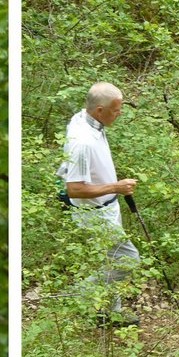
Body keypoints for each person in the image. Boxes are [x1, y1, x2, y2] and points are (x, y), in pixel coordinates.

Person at [58, 82, 141, 327]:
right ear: (99, 110)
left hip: (106, 206)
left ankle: (109, 312)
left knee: (111, 260)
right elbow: (74, 188)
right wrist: (116, 187)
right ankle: (81, 295)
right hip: (94, 213)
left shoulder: (84, 119)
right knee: (128, 259)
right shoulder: (83, 142)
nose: (120, 113)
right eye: (116, 110)